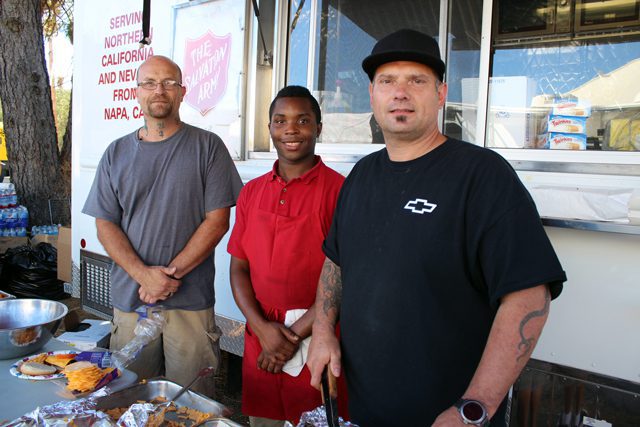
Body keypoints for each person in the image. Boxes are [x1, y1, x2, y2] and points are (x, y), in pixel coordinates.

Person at [306, 29, 567, 426]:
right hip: (366, 407)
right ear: (372, 95)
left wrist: (473, 408)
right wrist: (323, 331)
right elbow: (337, 262)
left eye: (417, 80)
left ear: (441, 94)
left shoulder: (481, 176)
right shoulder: (361, 176)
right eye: (387, 81)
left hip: (449, 416)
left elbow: (530, 296)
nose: (401, 92)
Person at [82, 55, 243, 396]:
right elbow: (105, 224)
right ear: (137, 92)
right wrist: (144, 276)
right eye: (150, 83)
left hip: (190, 305)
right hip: (131, 302)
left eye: (169, 82)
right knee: (126, 398)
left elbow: (217, 222)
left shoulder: (208, 147)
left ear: (182, 92)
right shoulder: (116, 153)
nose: (160, 90)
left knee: (192, 403)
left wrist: (167, 277)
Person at [227, 86, 345, 426]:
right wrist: (262, 329)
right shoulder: (251, 192)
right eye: (280, 121)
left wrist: (289, 338)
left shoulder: (339, 191)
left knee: (312, 417)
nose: (291, 129)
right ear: (269, 129)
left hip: (316, 335)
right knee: (263, 420)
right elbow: (238, 268)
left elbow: (347, 277)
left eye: (303, 120)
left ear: (318, 128)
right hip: (260, 337)